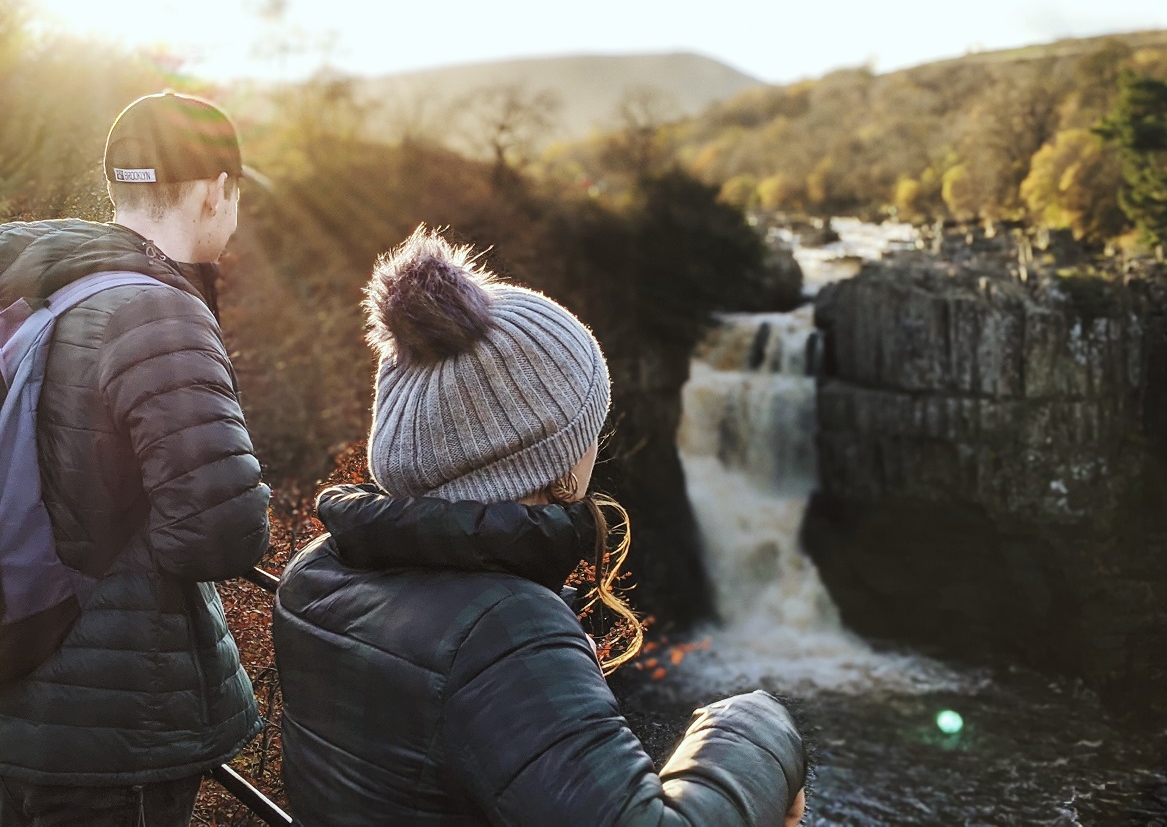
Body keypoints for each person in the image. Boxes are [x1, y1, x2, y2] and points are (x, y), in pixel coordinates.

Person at [273, 227, 808, 826]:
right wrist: (757, 726)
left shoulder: (315, 570)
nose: (594, 446)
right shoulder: (503, 632)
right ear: (550, 463)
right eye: (589, 428)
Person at [0, 92, 271, 825]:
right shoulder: (156, 311)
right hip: (107, 725)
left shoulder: (32, 280)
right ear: (219, 190)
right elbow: (222, 535)